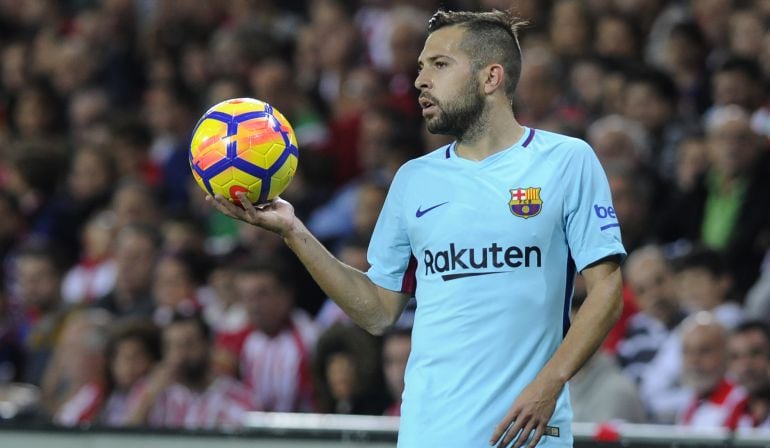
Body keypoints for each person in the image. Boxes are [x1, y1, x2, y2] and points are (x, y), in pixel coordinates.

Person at [209, 9, 625, 447]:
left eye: (439, 65)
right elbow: (376, 310)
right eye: (420, 68)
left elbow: (606, 291)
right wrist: (293, 231)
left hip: (528, 436)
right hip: (429, 434)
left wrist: (550, 383)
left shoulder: (566, 161)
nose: (420, 81)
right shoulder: (413, 180)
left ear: (491, 77)